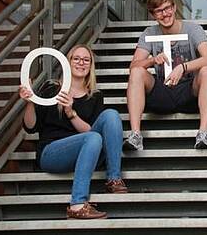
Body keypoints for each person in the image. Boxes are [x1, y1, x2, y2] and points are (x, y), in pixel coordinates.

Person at [19, 44, 126, 219]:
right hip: (52, 153)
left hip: (88, 151)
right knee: (92, 138)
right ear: (67, 62)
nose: (81, 63)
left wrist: (70, 113)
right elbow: (30, 127)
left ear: (90, 65)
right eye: (76, 58)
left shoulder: (95, 95)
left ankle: (114, 178)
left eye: (86, 60)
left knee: (111, 115)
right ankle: (77, 204)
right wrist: (30, 101)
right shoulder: (51, 88)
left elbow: (93, 134)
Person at [125, 0, 207, 150]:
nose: (164, 14)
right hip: (162, 91)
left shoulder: (192, 29)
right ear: (153, 15)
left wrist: (183, 67)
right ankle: (135, 135)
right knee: (137, 72)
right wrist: (152, 60)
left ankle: (203, 133)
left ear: (174, 8)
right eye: (159, 11)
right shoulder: (149, 33)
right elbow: (133, 66)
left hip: (189, 91)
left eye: (167, 8)